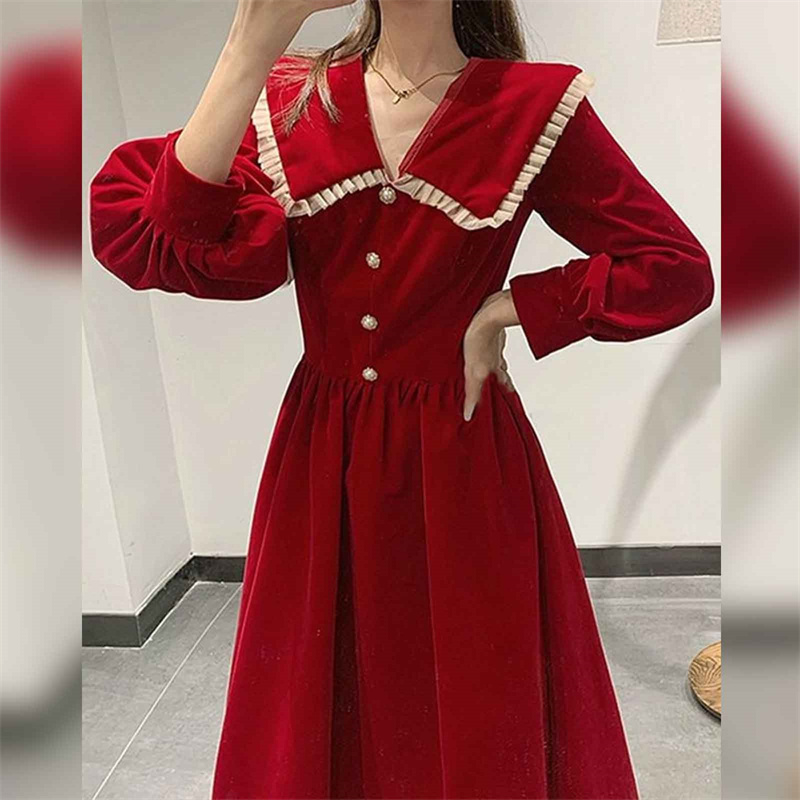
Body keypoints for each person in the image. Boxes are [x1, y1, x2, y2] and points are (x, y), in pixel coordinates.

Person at [89, 0, 715, 797]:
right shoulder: (292, 98)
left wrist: (517, 306)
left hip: (465, 454)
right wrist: (252, 39)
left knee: (476, 687)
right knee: (325, 689)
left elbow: (674, 268)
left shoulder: (532, 107)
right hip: (324, 459)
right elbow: (170, 236)